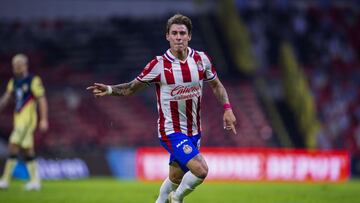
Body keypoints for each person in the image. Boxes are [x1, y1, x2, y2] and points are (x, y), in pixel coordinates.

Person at [87, 14, 237, 203]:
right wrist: (109, 89)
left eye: (182, 33)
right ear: (167, 36)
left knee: (175, 177)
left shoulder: (201, 60)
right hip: (171, 131)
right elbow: (131, 88)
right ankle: (177, 199)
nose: (179, 37)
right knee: (201, 170)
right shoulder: (158, 65)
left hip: (194, 131)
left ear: (189, 36)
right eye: (174, 33)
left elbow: (216, 85)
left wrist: (227, 108)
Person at [0, 54, 49, 190]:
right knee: (28, 150)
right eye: (14, 65)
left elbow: (42, 99)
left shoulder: (33, 80)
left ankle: (5, 180)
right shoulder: (13, 82)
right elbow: (6, 97)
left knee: (12, 144)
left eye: (18, 65)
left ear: (25, 65)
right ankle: (35, 181)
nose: (16, 68)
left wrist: (44, 119)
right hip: (18, 120)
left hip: (27, 121)